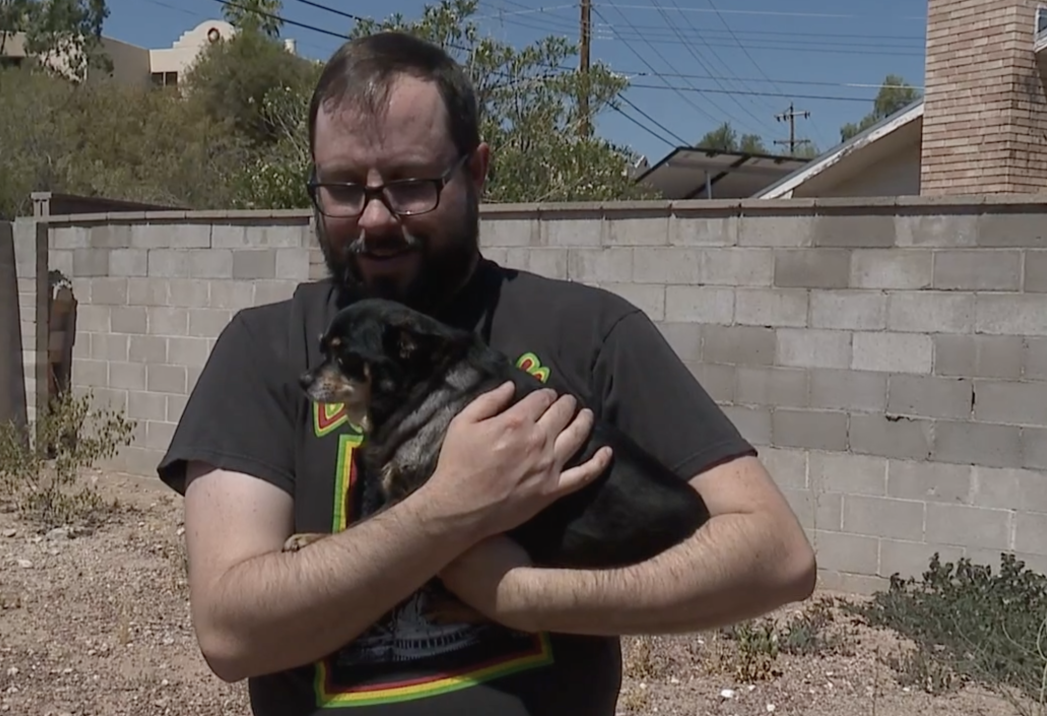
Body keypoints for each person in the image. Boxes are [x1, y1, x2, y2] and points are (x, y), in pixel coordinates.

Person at [157, 30, 816, 716]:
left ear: (475, 172)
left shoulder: (587, 332)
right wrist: (450, 509)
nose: (375, 219)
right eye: (344, 188)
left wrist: (523, 596)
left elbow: (777, 556)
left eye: (411, 184)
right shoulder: (265, 349)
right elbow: (230, 633)